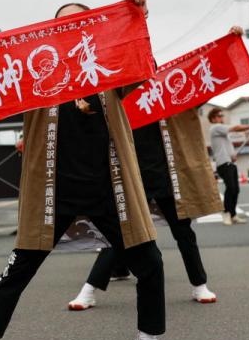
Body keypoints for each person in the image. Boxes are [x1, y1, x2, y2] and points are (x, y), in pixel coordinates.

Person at [0, 0, 177, 340]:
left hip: (109, 187)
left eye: (82, 23)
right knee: (18, 269)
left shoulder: (110, 69)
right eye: (63, 24)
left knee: (150, 262)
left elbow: (141, 63)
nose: (72, 30)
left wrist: (139, 17)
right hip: (54, 189)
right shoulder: (35, 74)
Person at [68, 98, 226, 309]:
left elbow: (196, 94)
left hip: (166, 176)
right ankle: (89, 290)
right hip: (134, 177)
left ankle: (199, 284)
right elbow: (86, 112)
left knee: (184, 233)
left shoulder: (164, 94)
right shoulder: (119, 97)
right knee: (122, 234)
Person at [207, 107, 249, 226]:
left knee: (235, 189)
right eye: (219, 116)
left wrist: (232, 155)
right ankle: (226, 213)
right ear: (213, 118)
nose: (221, 118)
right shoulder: (215, 128)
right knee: (230, 188)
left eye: (221, 116)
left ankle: (233, 214)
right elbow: (236, 128)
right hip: (223, 163)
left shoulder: (222, 133)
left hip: (230, 163)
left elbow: (226, 146)